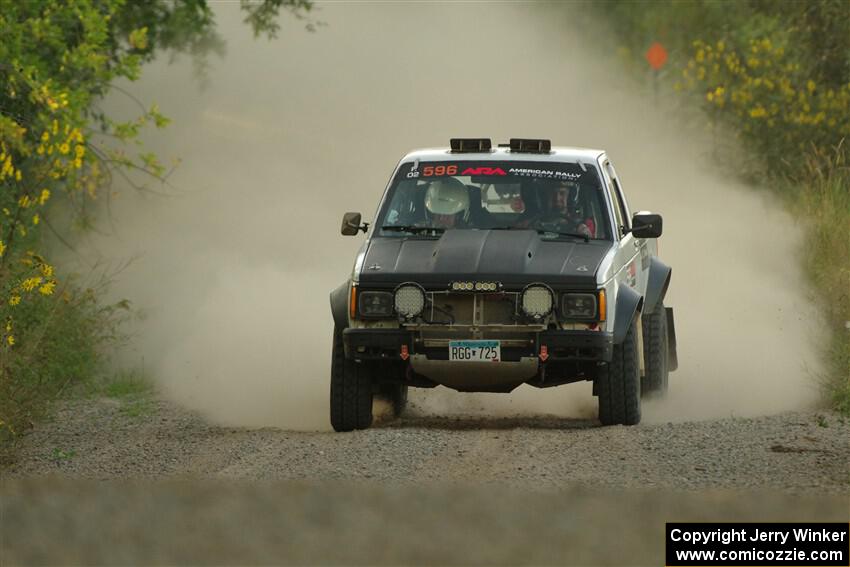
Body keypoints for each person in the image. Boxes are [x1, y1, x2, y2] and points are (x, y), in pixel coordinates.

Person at [525, 180, 594, 237]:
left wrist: (585, 234)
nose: (557, 199)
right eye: (552, 193)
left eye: (562, 193)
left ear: (570, 197)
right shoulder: (529, 223)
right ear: (544, 197)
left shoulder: (584, 223)